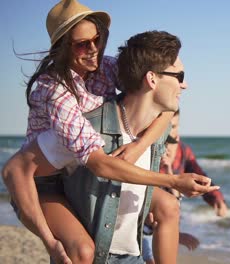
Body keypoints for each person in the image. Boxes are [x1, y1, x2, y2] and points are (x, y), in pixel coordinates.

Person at [2, 1, 216, 263]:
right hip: (45, 182)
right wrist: (172, 181)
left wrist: (138, 147)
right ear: (61, 48)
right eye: (83, 44)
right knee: (82, 252)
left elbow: (163, 103)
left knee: (168, 206)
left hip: (82, 169)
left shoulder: (105, 67)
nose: (93, 50)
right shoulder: (53, 90)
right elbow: (100, 164)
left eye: (98, 39)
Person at [142, 111, 228, 264]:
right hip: (145, 227)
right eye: (165, 126)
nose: (168, 131)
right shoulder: (149, 149)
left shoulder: (182, 150)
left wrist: (216, 198)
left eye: (173, 126)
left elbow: (199, 174)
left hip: (168, 224)